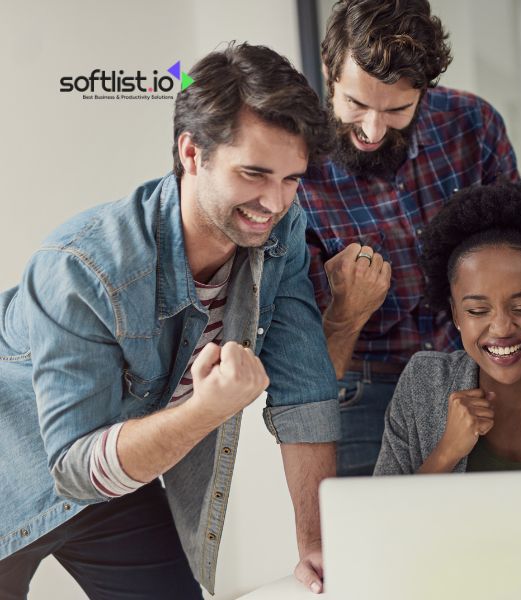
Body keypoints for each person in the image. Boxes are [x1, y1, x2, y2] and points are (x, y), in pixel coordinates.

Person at [0, 43, 339, 598]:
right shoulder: (82, 268)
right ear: (192, 152)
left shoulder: (279, 231)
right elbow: (76, 465)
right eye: (254, 173)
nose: (274, 202)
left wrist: (315, 541)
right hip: (16, 474)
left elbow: (305, 388)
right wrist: (207, 410)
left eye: (291, 179)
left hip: (113, 481)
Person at [298, 0, 521, 477]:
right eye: (356, 104)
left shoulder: (472, 125)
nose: (372, 129)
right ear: (330, 71)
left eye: (396, 109)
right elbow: (306, 358)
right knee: (372, 540)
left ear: (424, 90)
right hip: (362, 385)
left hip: (476, 376)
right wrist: (346, 311)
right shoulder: (297, 167)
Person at [374, 181, 521, 475]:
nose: (502, 328)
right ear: (456, 313)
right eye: (477, 310)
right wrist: (446, 452)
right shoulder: (423, 384)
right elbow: (387, 517)